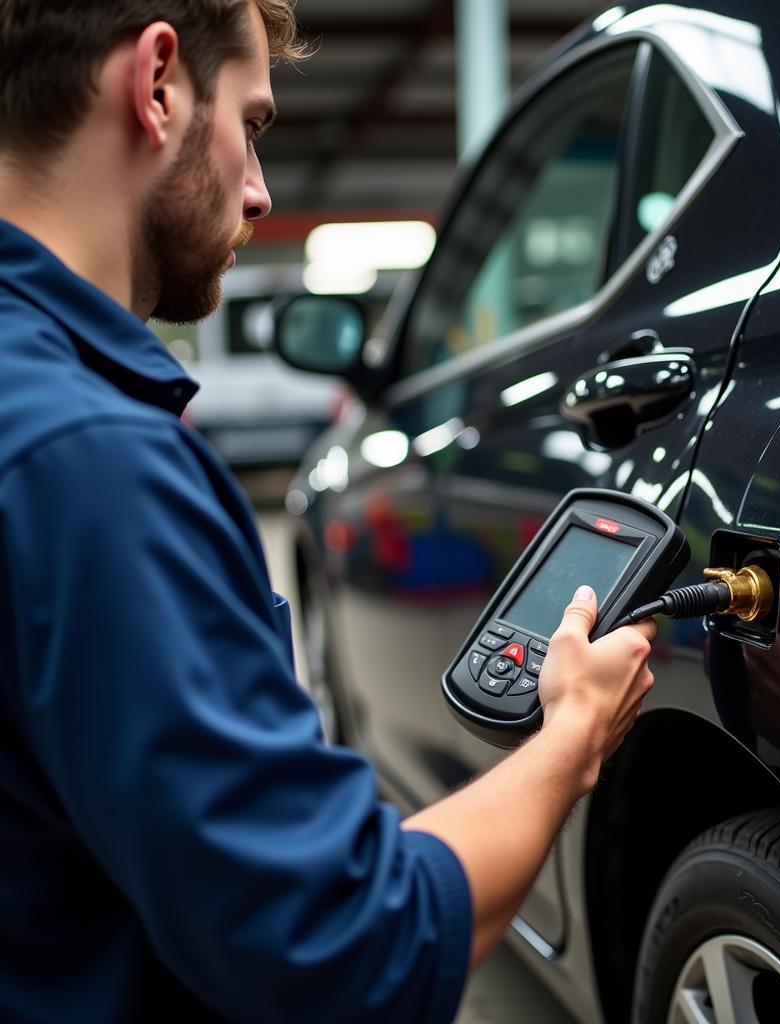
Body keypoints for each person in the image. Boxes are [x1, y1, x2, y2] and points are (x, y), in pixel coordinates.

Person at [0, 1, 656, 1021]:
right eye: (252, 125)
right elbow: (343, 946)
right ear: (158, 82)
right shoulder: (91, 462)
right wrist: (571, 735)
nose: (259, 190)